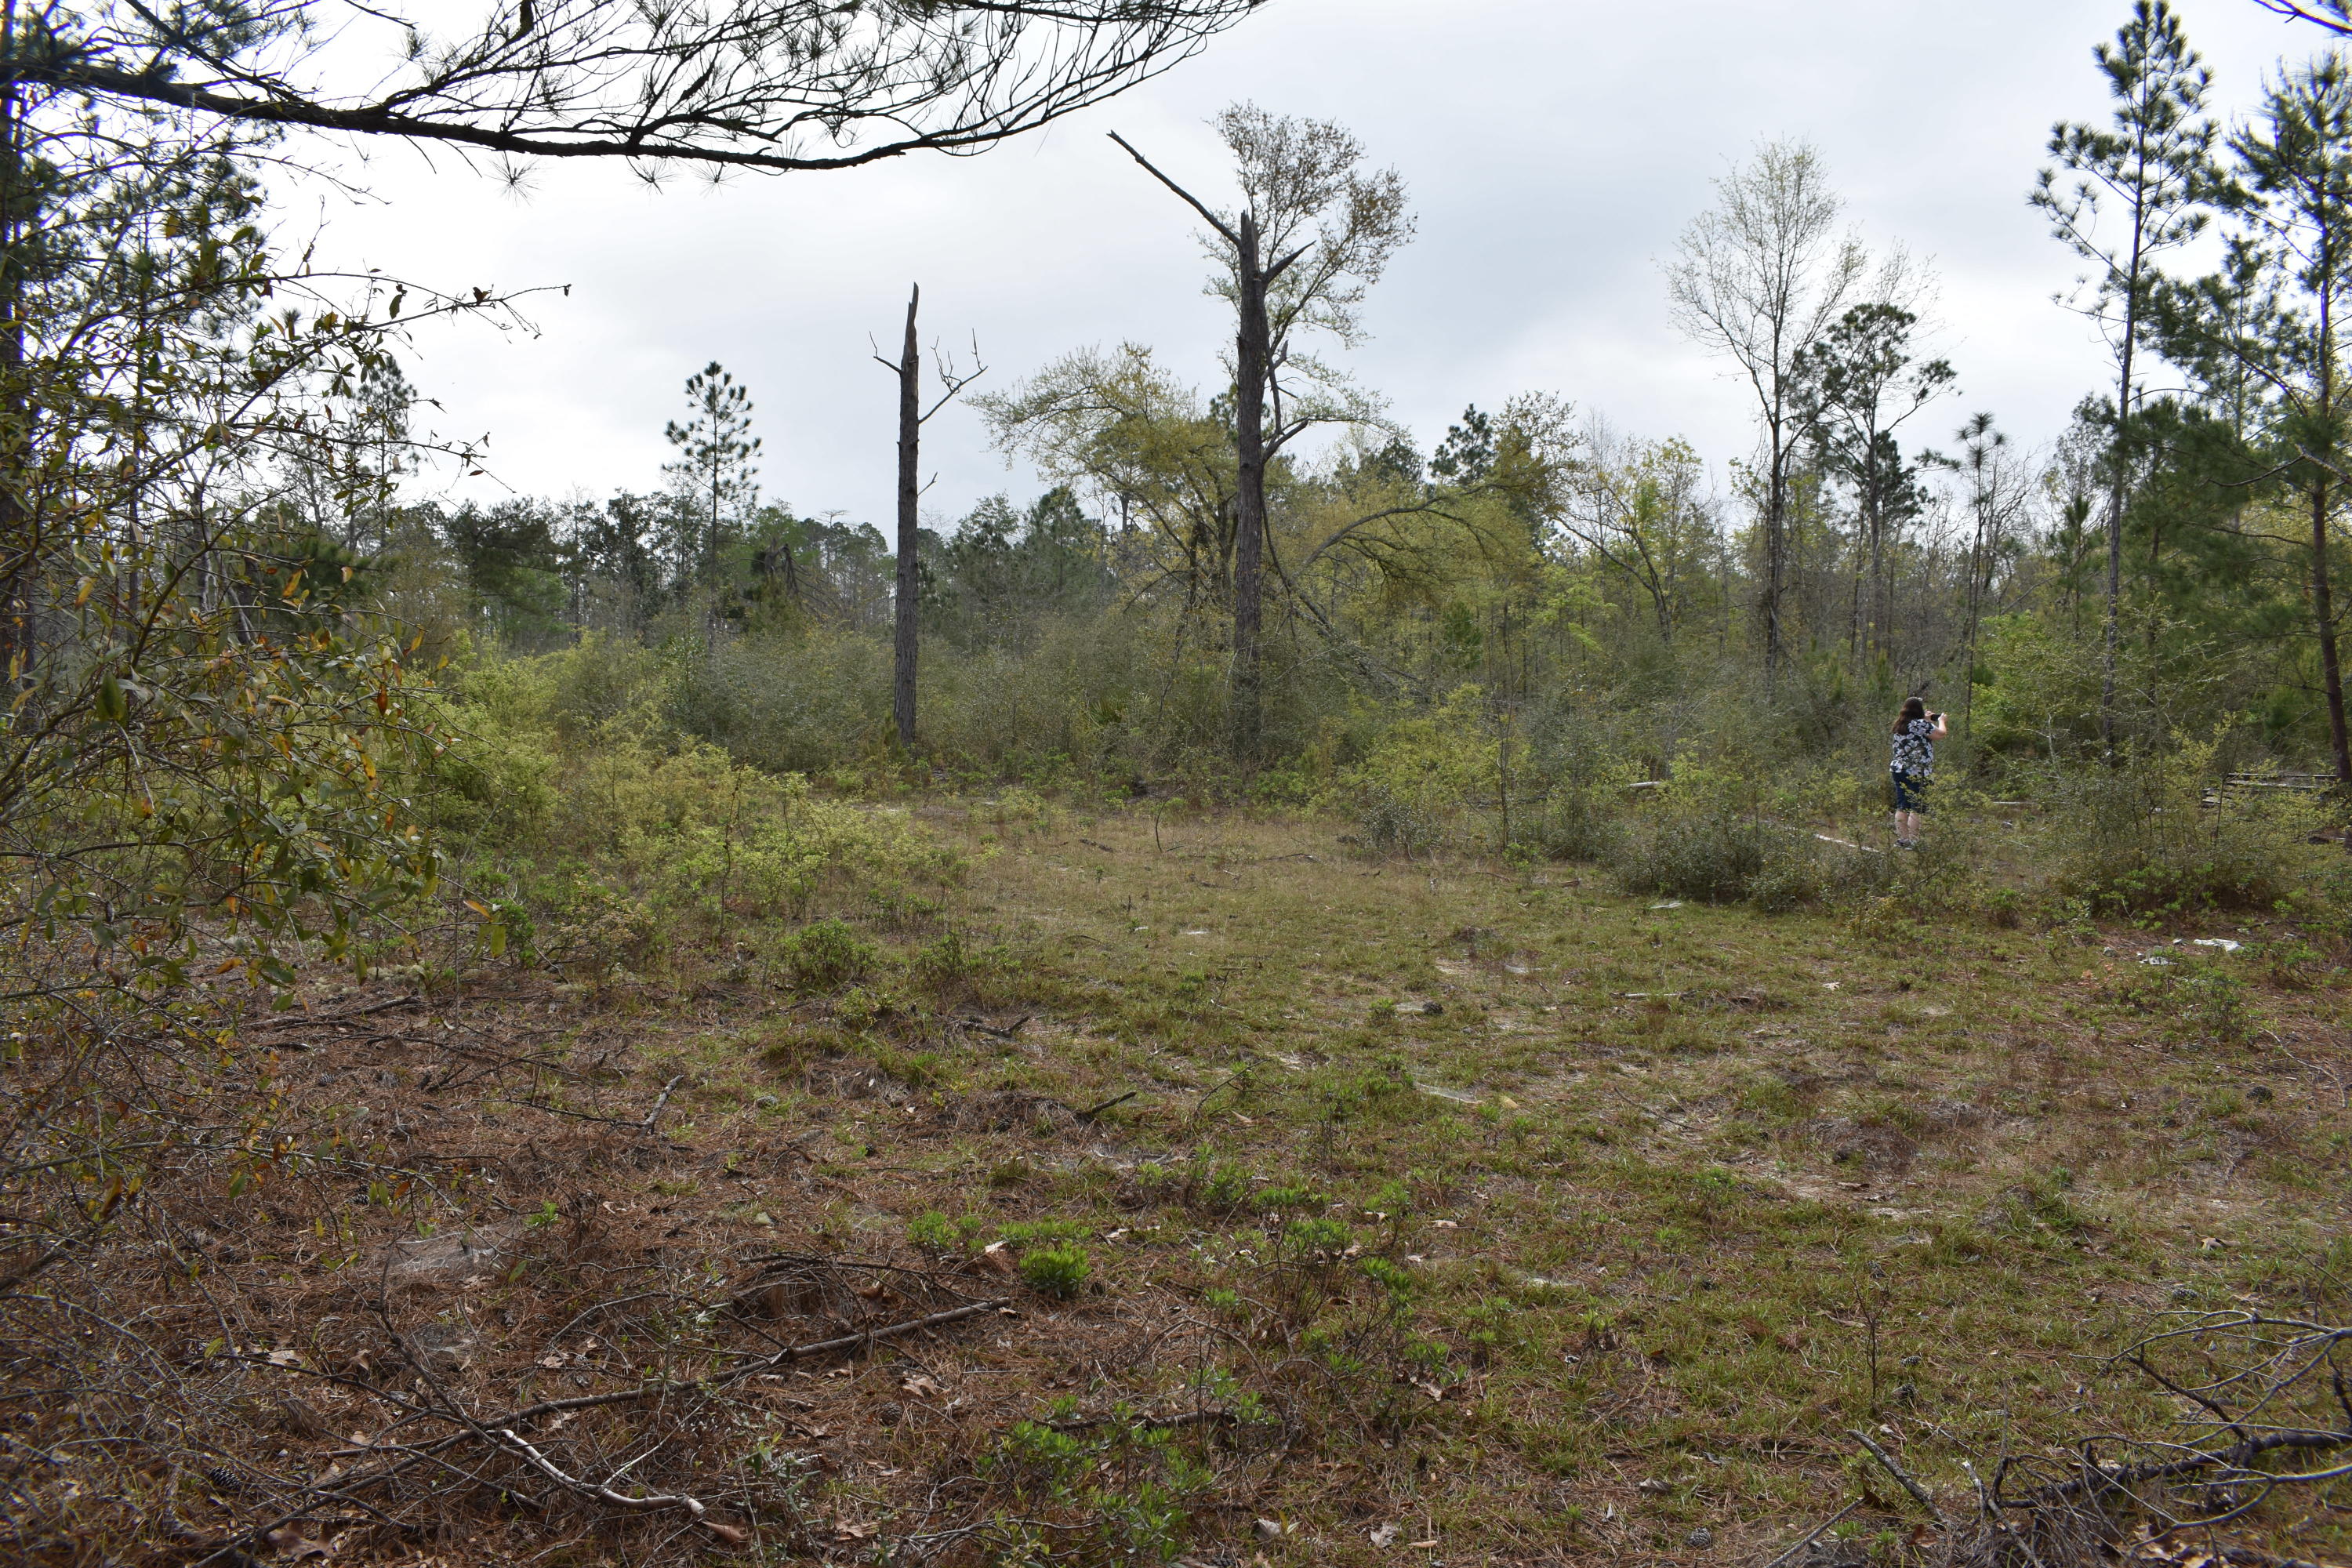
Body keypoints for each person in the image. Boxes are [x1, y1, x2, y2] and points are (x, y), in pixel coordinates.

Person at [1889, 697, 1947, 849]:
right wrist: (1941, 720)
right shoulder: (1920, 724)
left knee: (1903, 805)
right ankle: (1915, 842)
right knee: (1917, 807)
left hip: (1898, 769)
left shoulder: (1900, 724)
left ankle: (1903, 839)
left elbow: (1923, 733)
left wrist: (1927, 721)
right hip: (1916, 771)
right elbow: (1940, 734)